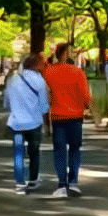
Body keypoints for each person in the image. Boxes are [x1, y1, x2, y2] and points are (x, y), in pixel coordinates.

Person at [45, 42, 92, 197]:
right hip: (76, 116)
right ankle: (73, 182)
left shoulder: (49, 72)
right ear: (66, 54)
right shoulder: (78, 72)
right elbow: (85, 95)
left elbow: (45, 93)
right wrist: (88, 107)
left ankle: (61, 184)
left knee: (59, 151)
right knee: (74, 150)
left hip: (57, 116)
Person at [4, 53, 49, 194]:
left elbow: (6, 102)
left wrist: (15, 109)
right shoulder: (39, 80)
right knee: (34, 152)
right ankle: (33, 180)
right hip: (34, 122)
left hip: (16, 122)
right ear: (35, 65)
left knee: (18, 153)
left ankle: (20, 184)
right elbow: (44, 106)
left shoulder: (12, 79)